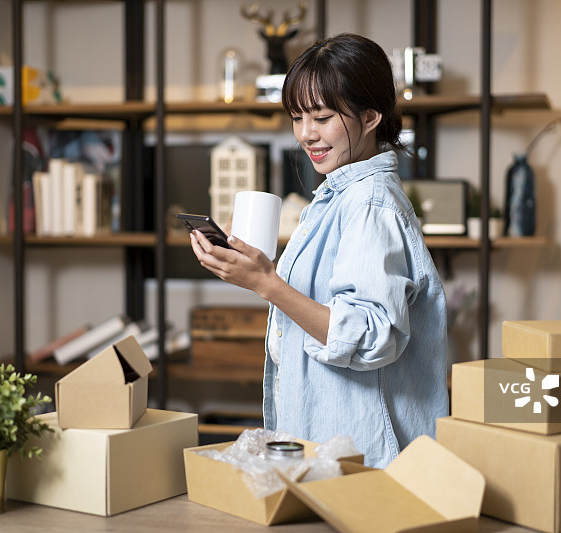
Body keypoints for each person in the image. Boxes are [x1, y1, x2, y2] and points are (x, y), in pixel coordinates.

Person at [188, 32, 448, 468]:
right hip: (333, 447)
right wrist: (254, 272)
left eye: (322, 117)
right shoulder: (338, 196)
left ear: (369, 117)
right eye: (297, 117)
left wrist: (267, 284)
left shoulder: (368, 204)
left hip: (366, 456)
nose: (306, 135)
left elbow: (371, 338)